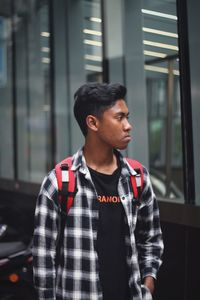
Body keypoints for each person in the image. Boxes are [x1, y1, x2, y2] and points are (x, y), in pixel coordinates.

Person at [33, 83, 164, 300]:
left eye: (127, 117)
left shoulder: (138, 177)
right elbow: (42, 257)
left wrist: (148, 284)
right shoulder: (59, 182)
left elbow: (151, 237)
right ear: (92, 123)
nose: (128, 125)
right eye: (119, 117)